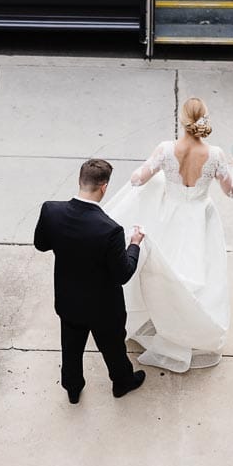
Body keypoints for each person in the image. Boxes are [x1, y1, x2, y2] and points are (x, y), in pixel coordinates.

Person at [104, 98, 233, 373]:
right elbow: (232, 191)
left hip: (168, 216)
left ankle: (163, 319)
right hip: (198, 219)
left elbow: (136, 179)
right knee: (195, 274)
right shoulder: (215, 155)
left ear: (182, 121)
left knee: (164, 271)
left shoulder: (166, 149)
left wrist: (154, 175)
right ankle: (188, 325)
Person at [34, 158, 145, 403]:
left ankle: (73, 388)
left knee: (71, 347)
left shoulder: (51, 210)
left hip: (68, 299)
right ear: (104, 187)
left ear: (80, 181)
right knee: (113, 346)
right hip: (103, 307)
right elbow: (123, 274)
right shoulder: (110, 230)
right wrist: (134, 245)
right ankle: (121, 382)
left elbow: (41, 245)